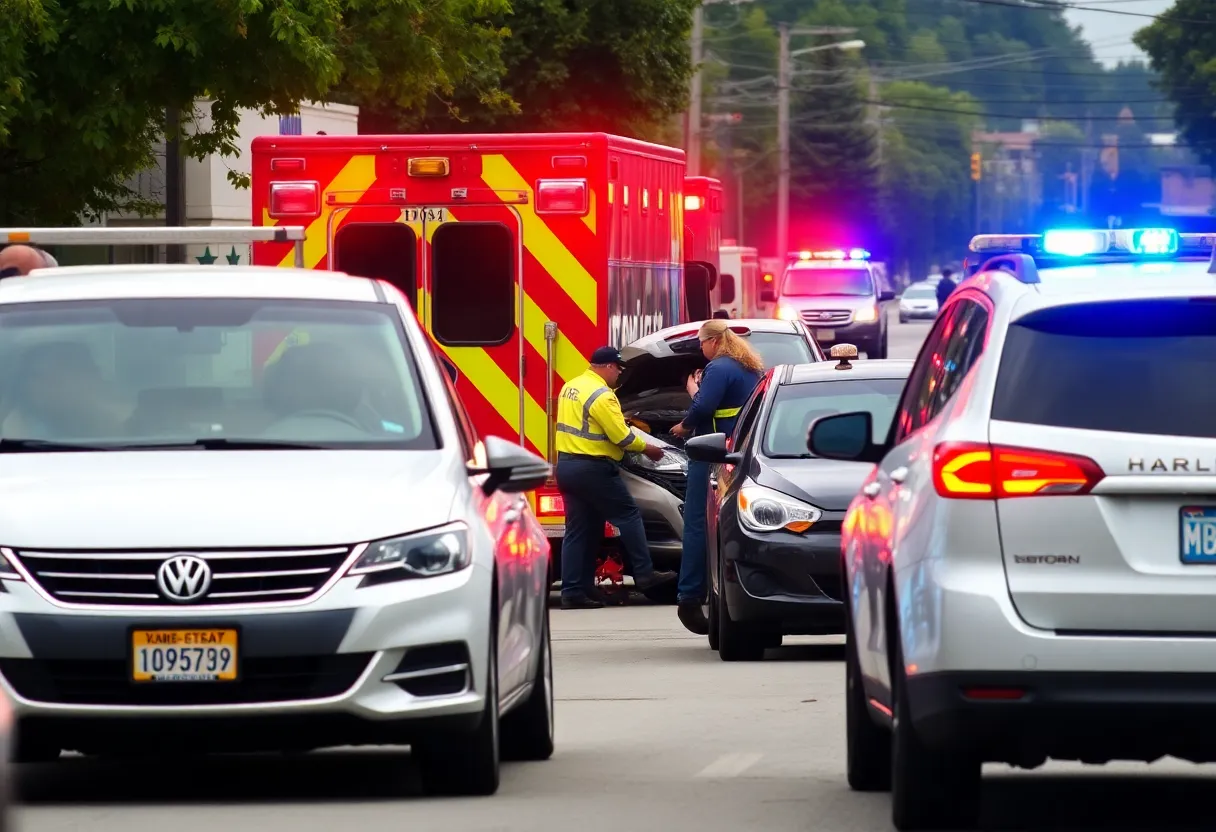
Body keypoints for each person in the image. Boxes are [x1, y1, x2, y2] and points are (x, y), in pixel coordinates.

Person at [554, 346, 678, 610]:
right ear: (609, 366)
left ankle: (574, 591)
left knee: (580, 531)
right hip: (593, 469)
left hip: (567, 466)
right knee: (629, 514)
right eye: (618, 369)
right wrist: (650, 449)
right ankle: (645, 574)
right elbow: (621, 438)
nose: (619, 375)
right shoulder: (603, 395)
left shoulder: (571, 386)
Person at [669, 319, 764, 634]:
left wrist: (691, 397)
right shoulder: (749, 368)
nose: (700, 348)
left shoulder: (718, 369)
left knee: (696, 525)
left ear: (713, 342)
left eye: (701, 343)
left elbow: (704, 408)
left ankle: (690, 597)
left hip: (709, 455)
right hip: (740, 457)